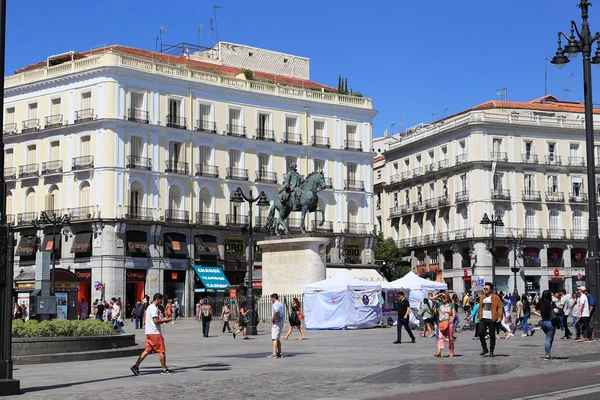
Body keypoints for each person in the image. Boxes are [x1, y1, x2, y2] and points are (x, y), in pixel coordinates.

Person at [131, 293, 172, 376]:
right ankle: (164, 369)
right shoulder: (153, 308)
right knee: (161, 350)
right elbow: (156, 321)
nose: (161, 302)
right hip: (155, 333)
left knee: (147, 350)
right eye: (161, 300)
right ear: (158, 299)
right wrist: (164, 320)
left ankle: (136, 366)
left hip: (149, 333)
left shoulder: (149, 307)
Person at [531, 290, 560, 360]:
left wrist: (539, 314)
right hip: (550, 322)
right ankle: (547, 355)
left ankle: (548, 354)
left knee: (549, 338)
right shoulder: (551, 303)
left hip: (543, 323)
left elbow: (533, 310)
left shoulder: (540, 303)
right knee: (548, 339)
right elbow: (556, 311)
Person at [478, 282, 503, 357]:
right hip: (483, 318)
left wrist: (499, 317)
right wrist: (479, 317)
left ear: (491, 289)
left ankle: (491, 350)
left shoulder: (495, 297)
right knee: (480, 333)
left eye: (486, 288)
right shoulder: (482, 297)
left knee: (492, 335)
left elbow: (500, 308)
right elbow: (480, 308)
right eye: (484, 288)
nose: (485, 290)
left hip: (492, 318)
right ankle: (484, 348)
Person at [433, 292, 456, 357]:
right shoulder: (440, 303)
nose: (443, 298)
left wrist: (452, 318)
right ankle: (439, 351)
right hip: (441, 322)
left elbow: (454, 313)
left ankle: (451, 350)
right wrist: (440, 294)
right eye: (442, 297)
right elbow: (432, 299)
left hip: (449, 322)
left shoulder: (451, 304)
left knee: (450, 338)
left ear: (448, 297)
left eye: (444, 297)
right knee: (440, 337)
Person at [268, 293, 285, 358]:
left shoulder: (275, 304)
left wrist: (274, 318)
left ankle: (274, 353)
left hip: (277, 322)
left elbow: (276, 311)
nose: (271, 300)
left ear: (273, 298)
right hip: (281, 322)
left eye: (271, 298)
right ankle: (279, 352)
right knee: (277, 338)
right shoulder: (281, 304)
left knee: (274, 338)